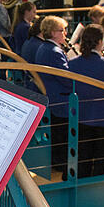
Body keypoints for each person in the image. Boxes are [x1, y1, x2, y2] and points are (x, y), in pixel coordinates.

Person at [67, 25, 104, 178]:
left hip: (82, 117)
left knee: (83, 159)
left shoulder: (72, 64)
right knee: (102, 161)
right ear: (100, 42)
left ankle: (82, 193)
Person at [34, 16, 71, 176]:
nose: (65, 33)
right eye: (61, 30)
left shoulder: (44, 47)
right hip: (60, 98)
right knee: (62, 135)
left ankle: (58, 161)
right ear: (52, 33)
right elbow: (67, 79)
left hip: (52, 95)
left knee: (58, 134)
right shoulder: (54, 52)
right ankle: (61, 163)